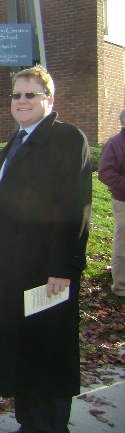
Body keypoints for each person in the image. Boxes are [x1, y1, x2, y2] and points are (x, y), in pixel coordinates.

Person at [0, 66, 92, 433]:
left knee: (49, 354)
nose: (22, 101)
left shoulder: (66, 139)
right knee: (24, 351)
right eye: (17, 95)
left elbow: (73, 207)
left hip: (48, 272)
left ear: (50, 99)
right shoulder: (15, 143)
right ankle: (28, 425)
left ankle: (50, 429)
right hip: (13, 270)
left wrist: (63, 266)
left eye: (31, 94)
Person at [97, 108, 125, 304]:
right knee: (123, 245)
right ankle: (121, 287)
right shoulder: (115, 143)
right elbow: (105, 173)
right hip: (123, 201)